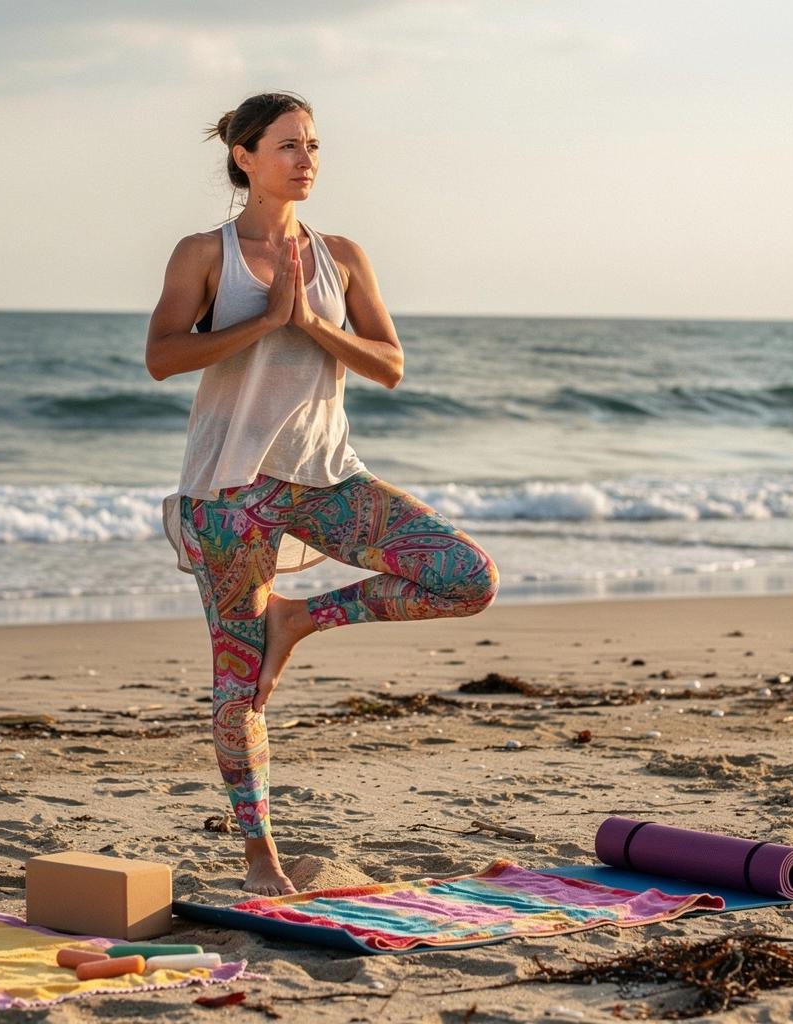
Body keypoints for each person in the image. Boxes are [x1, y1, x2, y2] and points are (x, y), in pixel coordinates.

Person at [147, 92, 499, 896]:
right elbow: (163, 357)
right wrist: (267, 320)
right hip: (228, 494)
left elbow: (389, 364)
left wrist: (308, 321)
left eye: (313, 145)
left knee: (466, 575)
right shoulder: (205, 253)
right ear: (244, 156)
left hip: (324, 479)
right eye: (288, 146)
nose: (307, 159)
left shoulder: (340, 253)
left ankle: (300, 617)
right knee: (238, 687)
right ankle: (262, 859)